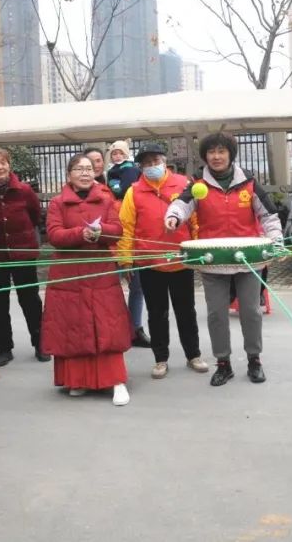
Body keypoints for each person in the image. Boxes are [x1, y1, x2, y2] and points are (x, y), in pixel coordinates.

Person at [165, 133, 282, 387]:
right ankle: (223, 363)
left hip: (247, 260)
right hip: (213, 260)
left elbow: (269, 215)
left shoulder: (249, 183)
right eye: (211, 152)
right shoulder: (198, 184)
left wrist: (277, 241)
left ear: (230, 154)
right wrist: (173, 217)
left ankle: (254, 359)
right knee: (217, 314)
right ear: (205, 156)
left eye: (221, 151)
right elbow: (182, 204)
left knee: (251, 312)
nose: (216, 157)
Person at [42, 154, 131, 404]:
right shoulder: (58, 203)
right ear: (69, 174)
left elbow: (117, 231)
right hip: (68, 276)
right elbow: (54, 235)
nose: (84, 173)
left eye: (89, 169)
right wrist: (81, 233)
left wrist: (102, 232)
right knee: (73, 326)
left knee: (106, 324)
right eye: (79, 169)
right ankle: (77, 380)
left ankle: (116, 381)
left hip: (100, 271)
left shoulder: (105, 200)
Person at [117, 143, 208, 379]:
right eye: (146, 163)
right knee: (157, 313)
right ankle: (160, 359)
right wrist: (125, 259)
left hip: (181, 259)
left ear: (164, 161)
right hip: (149, 262)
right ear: (140, 167)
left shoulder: (183, 184)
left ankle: (193, 355)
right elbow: (126, 227)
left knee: (185, 310)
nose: (151, 167)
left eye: (155, 161)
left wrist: (197, 250)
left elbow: (195, 219)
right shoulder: (133, 191)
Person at [0, 147, 48, 367]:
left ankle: (40, 343)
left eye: (3, 162)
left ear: (9, 165)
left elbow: (35, 216)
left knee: (30, 300)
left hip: (22, 254)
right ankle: (5, 348)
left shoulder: (24, 191)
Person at [104, 140, 150, 348]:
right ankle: (115, 329)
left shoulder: (128, 171)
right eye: (113, 154)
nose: (116, 157)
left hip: (130, 241)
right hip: (109, 244)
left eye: (120, 153)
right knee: (110, 288)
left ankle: (135, 328)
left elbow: (123, 189)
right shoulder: (108, 175)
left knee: (137, 287)